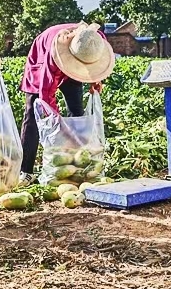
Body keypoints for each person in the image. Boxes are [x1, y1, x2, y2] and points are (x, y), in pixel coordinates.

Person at [18, 22, 116, 183]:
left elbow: (95, 61)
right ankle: (25, 171)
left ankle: (77, 164)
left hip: (75, 59)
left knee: (77, 112)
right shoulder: (53, 57)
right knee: (32, 115)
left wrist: (96, 79)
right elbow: (46, 97)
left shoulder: (95, 40)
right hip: (41, 59)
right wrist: (58, 126)